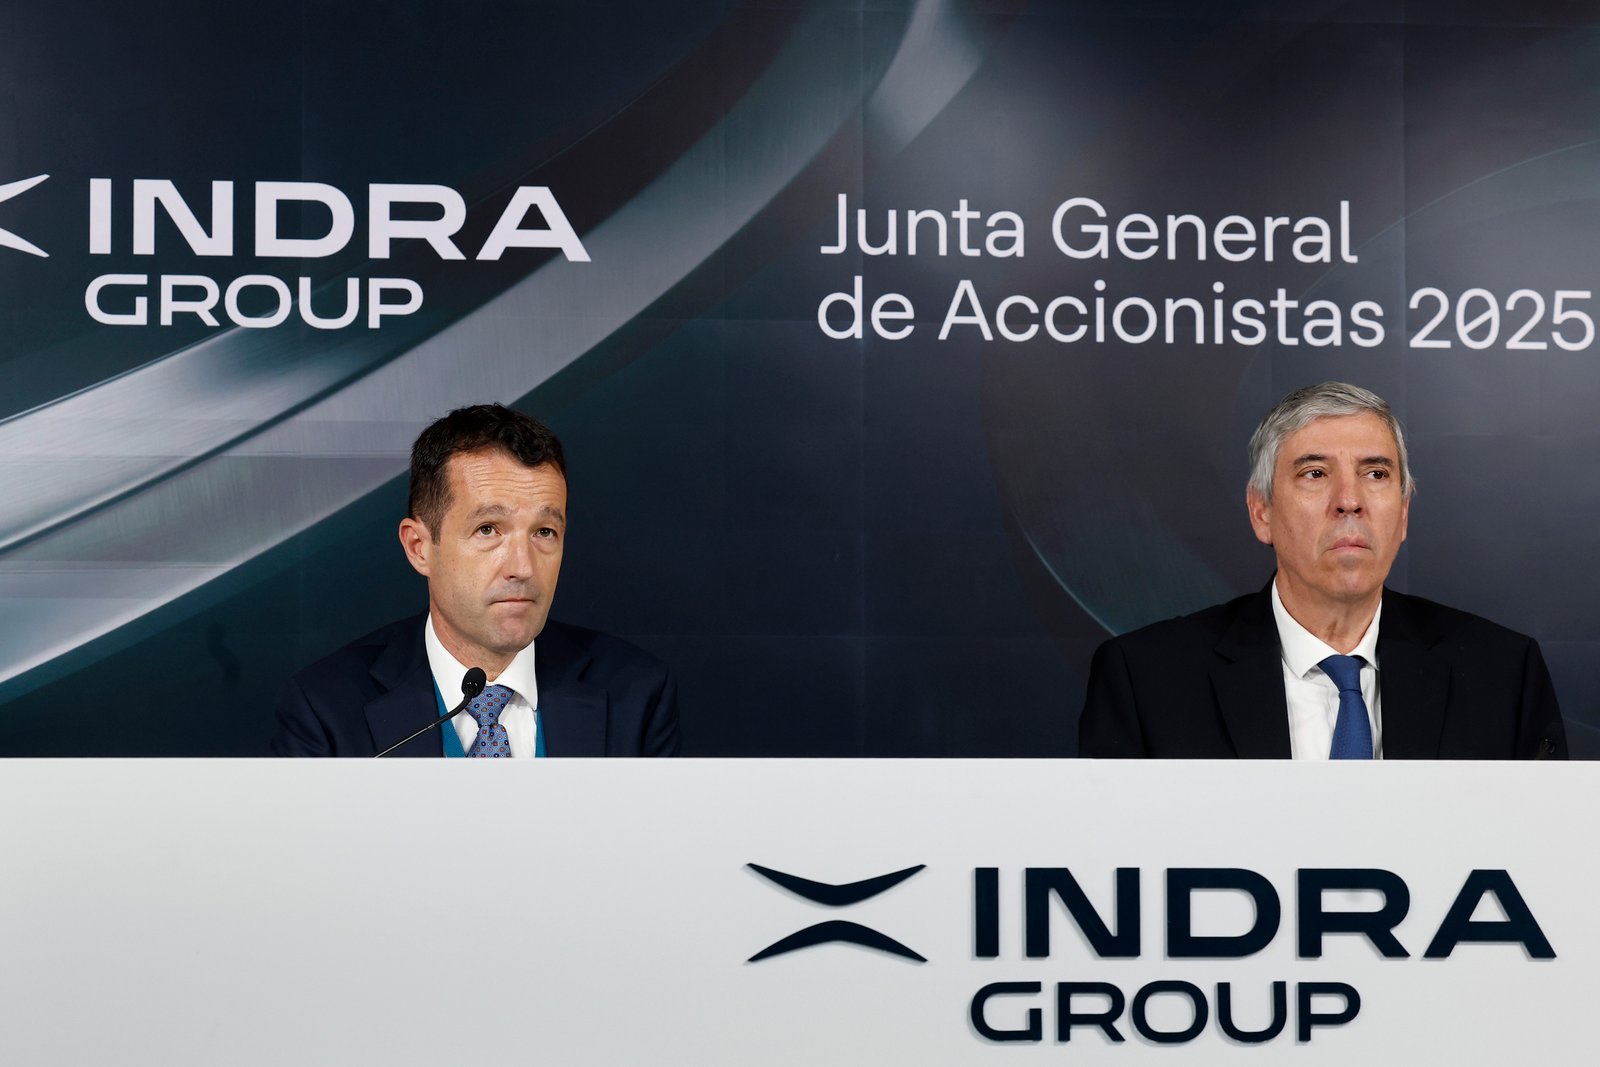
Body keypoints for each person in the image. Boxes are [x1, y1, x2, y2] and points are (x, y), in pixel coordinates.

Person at [1078, 381, 1564, 759]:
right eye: (1315, 473)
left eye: (1376, 474)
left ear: (1403, 514)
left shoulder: (1502, 675)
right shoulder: (1147, 681)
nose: (1349, 500)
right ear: (1261, 512)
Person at [272, 404, 679, 757]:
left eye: (544, 532)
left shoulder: (635, 694)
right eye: (488, 529)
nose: (523, 567)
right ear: (419, 547)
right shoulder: (326, 709)